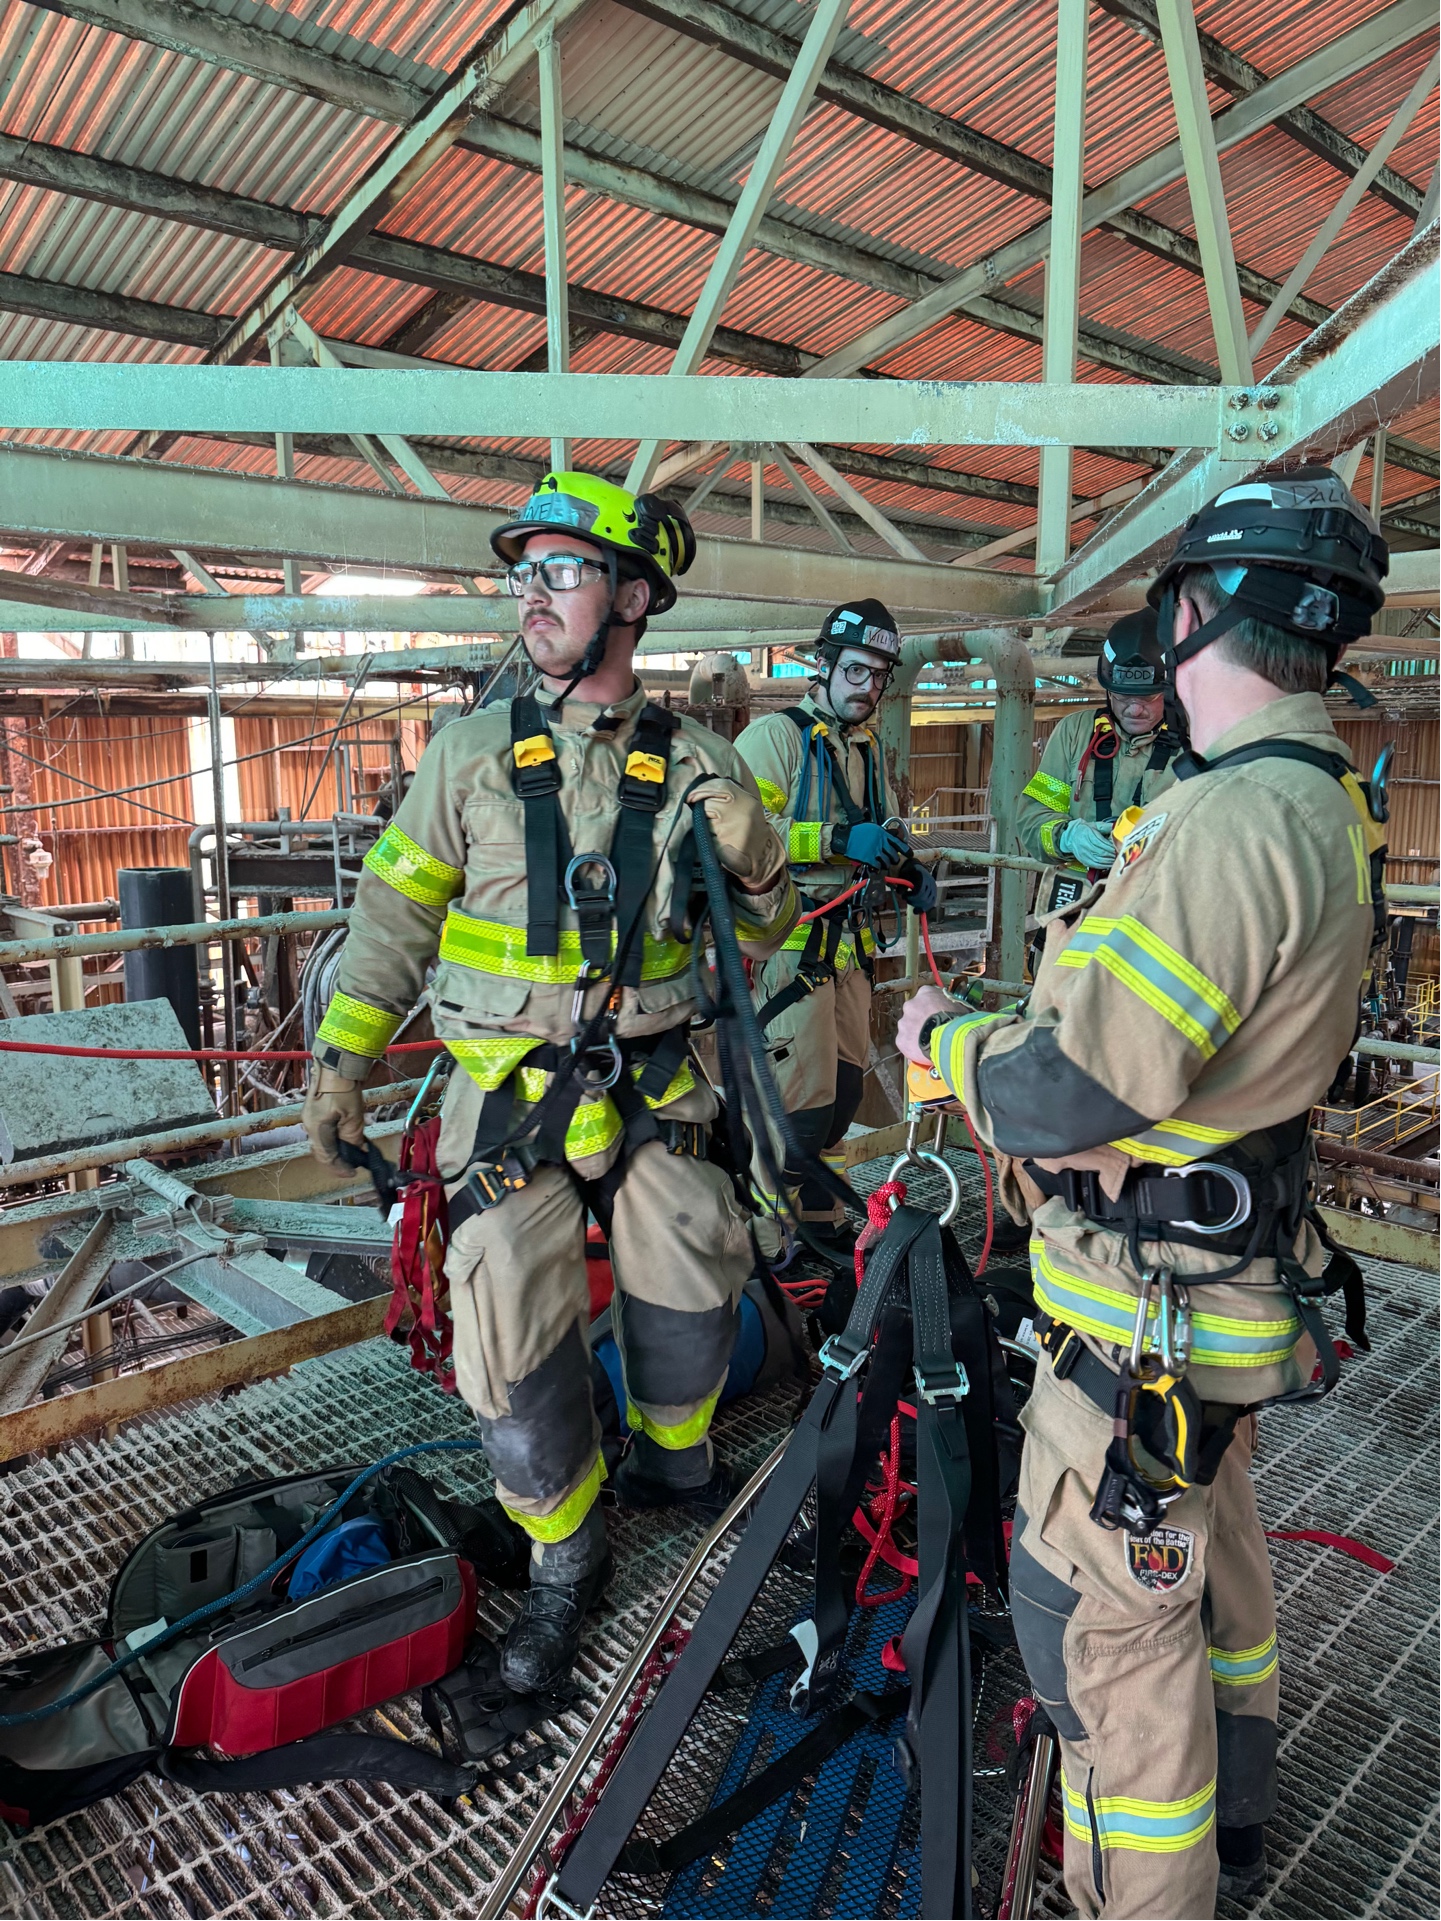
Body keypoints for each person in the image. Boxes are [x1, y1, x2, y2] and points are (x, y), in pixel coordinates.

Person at [897, 466, 1388, 1918]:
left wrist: (952, 1046)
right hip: (1215, 1318)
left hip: (1138, 1329)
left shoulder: (1225, 825)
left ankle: (1157, 1887)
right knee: (1216, 1586)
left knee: (1108, 1654)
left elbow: (1070, 1096)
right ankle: (1240, 1834)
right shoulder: (1316, 802)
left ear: (1191, 613)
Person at [302, 472, 797, 1692]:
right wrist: (342, 1059)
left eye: (562, 571)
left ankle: (673, 1468)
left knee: (691, 1279)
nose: (533, 593)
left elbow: (762, 935)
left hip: (657, 1079)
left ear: (633, 597)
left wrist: (756, 853)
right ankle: (565, 1553)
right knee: (509, 1334)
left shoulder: (701, 766)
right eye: (525, 571)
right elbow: (393, 916)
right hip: (505, 1093)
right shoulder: (468, 756)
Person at [732, 600, 935, 1247]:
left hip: (846, 954)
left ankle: (819, 1236)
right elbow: (735, 838)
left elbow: (878, 833)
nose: (868, 688)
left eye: (878, 676)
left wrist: (909, 871)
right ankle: (765, 1250)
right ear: (822, 666)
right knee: (795, 1113)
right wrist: (835, 837)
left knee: (841, 1100)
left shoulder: (863, 749)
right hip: (787, 956)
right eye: (855, 672)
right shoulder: (774, 740)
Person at [1018, 608, 1185, 916]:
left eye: (1148, 698)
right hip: (1075, 908)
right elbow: (1031, 819)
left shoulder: (1196, 743)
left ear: (1171, 691)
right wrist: (1066, 837)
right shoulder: (1074, 733)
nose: (1134, 710)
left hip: (1155, 908)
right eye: (1122, 697)